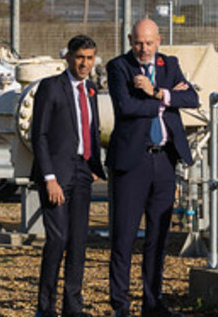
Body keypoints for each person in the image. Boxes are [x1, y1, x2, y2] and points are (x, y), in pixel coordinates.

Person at [106, 18, 199, 317]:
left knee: (158, 234)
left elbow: (192, 98)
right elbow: (126, 107)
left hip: (164, 159)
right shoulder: (118, 67)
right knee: (124, 236)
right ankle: (121, 305)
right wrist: (167, 100)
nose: (143, 49)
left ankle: (152, 302)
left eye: (149, 43)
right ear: (130, 39)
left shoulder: (168, 64)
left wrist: (157, 92)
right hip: (132, 162)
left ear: (159, 40)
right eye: (138, 43)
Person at [31, 35, 106, 317]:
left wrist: (92, 166)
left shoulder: (91, 90)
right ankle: (45, 308)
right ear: (68, 58)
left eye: (90, 58)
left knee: (77, 241)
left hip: (82, 171)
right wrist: (49, 177)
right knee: (58, 239)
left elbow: (92, 129)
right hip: (56, 175)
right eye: (80, 58)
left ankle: (72, 308)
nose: (85, 64)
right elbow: (39, 135)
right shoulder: (51, 88)